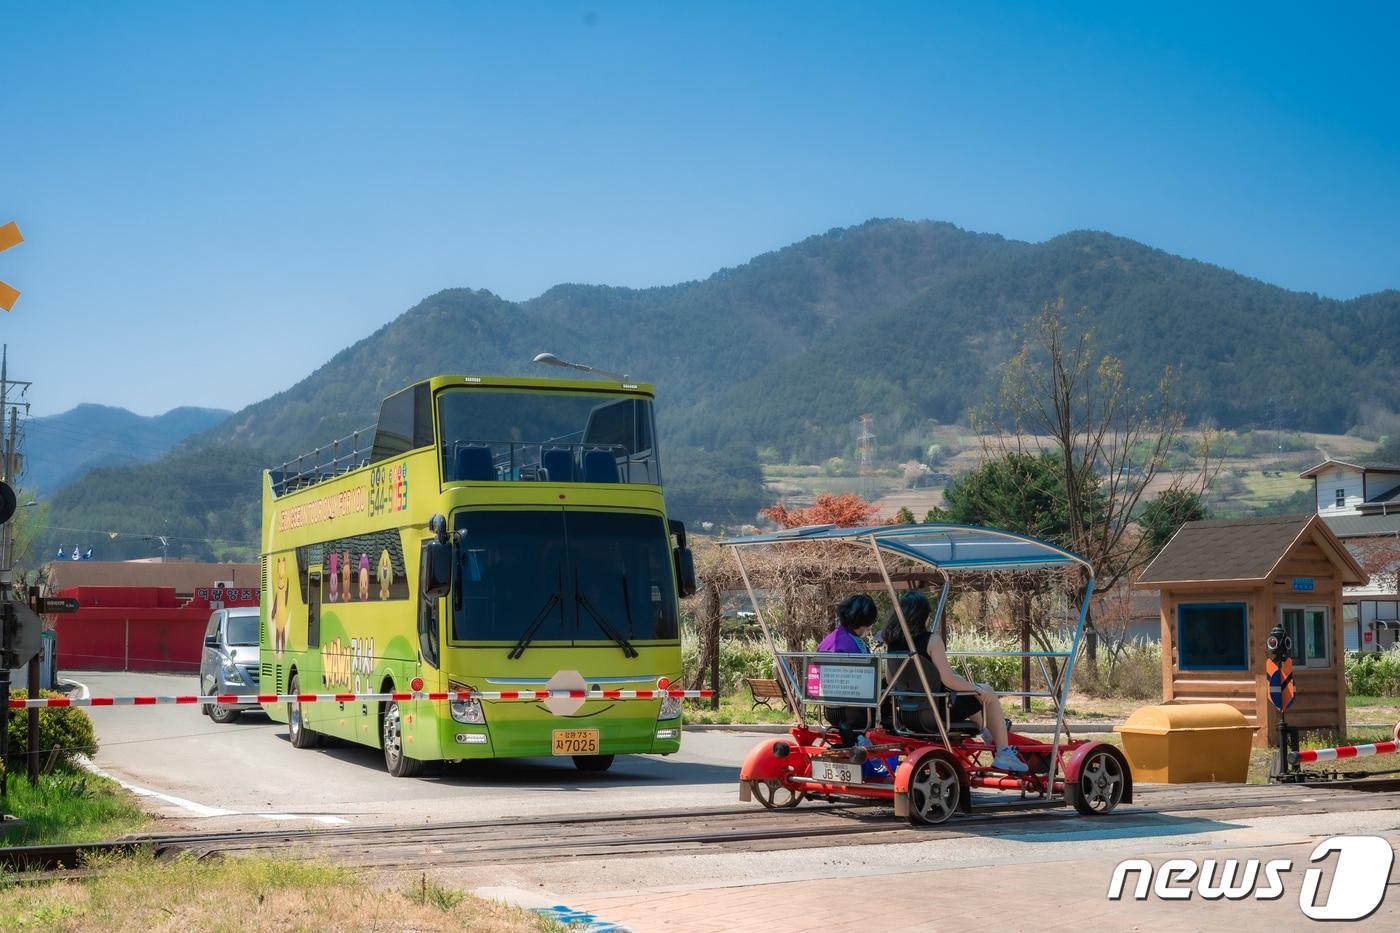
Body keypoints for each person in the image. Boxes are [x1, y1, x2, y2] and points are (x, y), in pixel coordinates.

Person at [881, 590, 1028, 773]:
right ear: (923, 617)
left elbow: (889, 679)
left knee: (969, 694)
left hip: (906, 715)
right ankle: (1003, 752)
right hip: (937, 713)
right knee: (986, 690)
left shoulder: (893, 643)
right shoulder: (932, 640)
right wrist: (976, 689)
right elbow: (948, 679)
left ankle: (989, 733)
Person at [816, 593, 877, 746]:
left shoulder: (827, 641)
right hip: (857, 713)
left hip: (831, 711)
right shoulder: (855, 645)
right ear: (866, 621)